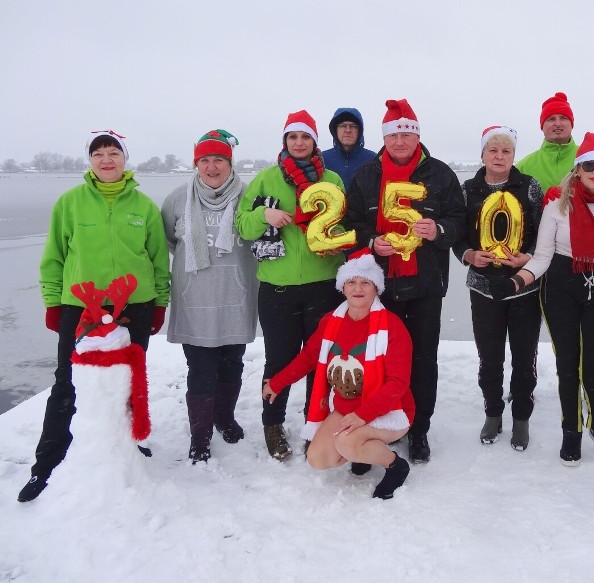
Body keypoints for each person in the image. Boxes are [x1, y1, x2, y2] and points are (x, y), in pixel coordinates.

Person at [18, 130, 170, 502]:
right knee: (66, 380)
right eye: (98, 153)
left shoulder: (144, 206)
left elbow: (158, 259)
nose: (106, 159)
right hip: (81, 308)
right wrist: (53, 302)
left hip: (134, 307)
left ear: (124, 159)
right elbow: (53, 256)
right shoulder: (70, 204)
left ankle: (128, 446)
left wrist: (160, 302)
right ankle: (48, 463)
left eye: (113, 152)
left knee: (129, 380)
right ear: (90, 161)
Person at [492, 133, 594, 465]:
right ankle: (572, 430)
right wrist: (514, 282)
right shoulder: (558, 207)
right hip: (560, 287)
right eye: (588, 165)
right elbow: (541, 258)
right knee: (567, 365)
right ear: (578, 170)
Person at [346, 99, 466, 463]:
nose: (400, 141)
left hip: (427, 285)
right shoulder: (366, 176)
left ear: (417, 137)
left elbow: (461, 220)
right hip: (381, 288)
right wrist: (370, 241)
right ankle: (386, 424)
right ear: (385, 138)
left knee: (423, 359)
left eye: (406, 134)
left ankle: (419, 429)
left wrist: (440, 229)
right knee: (382, 362)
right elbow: (350, 222)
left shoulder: (441, 175)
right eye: (394, 135)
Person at [262, 250, 415, 499]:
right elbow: (309, 357)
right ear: (342, 287)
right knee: (318, 458)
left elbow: (398, 383)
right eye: (351, 282)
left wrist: (363, 415)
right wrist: (278, 383)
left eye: (366, 282)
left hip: (389, 410)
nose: (358, 288)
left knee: (346, 442)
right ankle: (362, 450)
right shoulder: (330, 322)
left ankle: (394, 464)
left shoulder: (391, 326)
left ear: (376, 288)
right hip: (346, 407)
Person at [236, 111, 344, 461]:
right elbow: (242, 226)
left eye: (305, 137)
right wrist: (262, 215)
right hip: (277, 288)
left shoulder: (331, 180)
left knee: (320, 362)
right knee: (280, 361)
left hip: (324, 285)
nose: (299, 143)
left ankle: (314, 425)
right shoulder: (265, 180)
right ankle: (272, 423)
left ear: (314, 142)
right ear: (284, 142)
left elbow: (343, 227)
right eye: (292, 137)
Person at [161, 129, 259, 463]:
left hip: (236, 297)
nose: (212, 166)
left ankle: (225, 418)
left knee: (232, 366)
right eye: (205, 160)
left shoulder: (249, 196)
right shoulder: (176, 200)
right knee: (200, 370)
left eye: (219, 159)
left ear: (231, 163)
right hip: (195, 300)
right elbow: (171, 244)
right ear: (196, 163)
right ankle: (200, 436)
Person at [452, 126, 543, 450]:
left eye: (506, 151)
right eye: (493, 150)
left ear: (513, 155)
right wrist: (468, 254)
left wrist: (528, 256)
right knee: (489, 358)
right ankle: (493, 412)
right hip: (483, 288)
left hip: (524, 289)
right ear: (482, 155)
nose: (499, 156)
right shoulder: (468, 190)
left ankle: (521, 417)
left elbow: (542, 233)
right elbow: (457, 234)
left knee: (524, 357)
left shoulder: (529, 186)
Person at [516, 92, 578, 190]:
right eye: (551, 119)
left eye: (563, 118)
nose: (558, 123)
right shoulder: (523, 168)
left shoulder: (589, 160)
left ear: (571, 124)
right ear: (542, 126)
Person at [322, 108, 377, 190]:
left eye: (353, 126)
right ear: (335, 130)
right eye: (343, 126)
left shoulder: (373, 160)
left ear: (359, 131)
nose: (348, 130)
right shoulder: (322, 160)